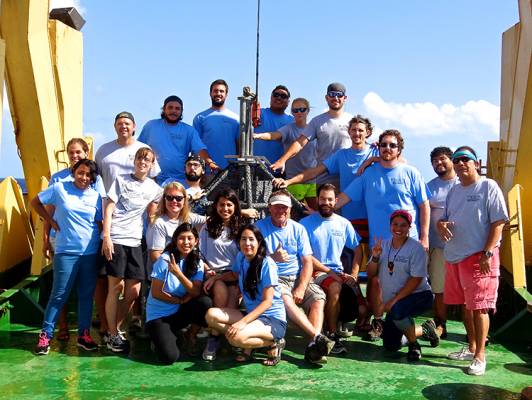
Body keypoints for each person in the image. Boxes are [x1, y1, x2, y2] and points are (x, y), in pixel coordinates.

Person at [336, 129, 431, 340]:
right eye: (384, 145)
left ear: (400, 149)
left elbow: (424, 205)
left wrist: (424, 237)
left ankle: (407, 326)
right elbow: (343, 198)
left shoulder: (411, 172)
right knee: (375, 280)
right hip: (380, 244)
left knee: (408, 286)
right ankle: (379, 321)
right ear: (378, 147)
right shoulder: (368, 174)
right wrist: (323, 208)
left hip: (409, 242)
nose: (388, 148)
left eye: (392, 145)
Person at [438, 146, 508, 376]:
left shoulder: (488, 186)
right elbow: (446, 219)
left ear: (476, 162)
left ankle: (481, 356)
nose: (460, 164)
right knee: (466, 307)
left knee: (480, 308)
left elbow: (499, 222)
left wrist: (487, 253)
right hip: (455, 257)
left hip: (479, 257)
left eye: (465, 159)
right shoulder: (453, 191)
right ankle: (471, 348)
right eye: (456, 160)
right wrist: (441, 225)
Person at [32, 159, 103, 355]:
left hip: (90, 252)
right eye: (81, 173)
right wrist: (50, 221)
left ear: (93, 178)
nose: (84, 177)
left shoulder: (96, 196)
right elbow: (35, 202)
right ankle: (45, 335)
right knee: (59, 295)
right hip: (66, 252)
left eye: (89, 175)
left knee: (86, 296)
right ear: (74, 172)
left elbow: (98, 223)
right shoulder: (59, 189)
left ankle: (84, 335)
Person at [256, 190, 334, 363]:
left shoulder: (298, 229)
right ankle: (317, 337)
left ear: (290, 209)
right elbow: (252, 260)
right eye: (276, 207)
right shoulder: (259, 228)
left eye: (284, 207)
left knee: (318, 298)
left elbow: (307, 261)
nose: (280, 211)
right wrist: (272, 258)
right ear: (269, 208)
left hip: (298, 276)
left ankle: (312, 347)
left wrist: (301, 286)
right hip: (274, 278)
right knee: (285, 298)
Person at [44, 138, 106, 341]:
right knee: (60, 290)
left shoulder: (95, 181)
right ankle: (56, 330)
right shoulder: (59, 181)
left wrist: (104, 239)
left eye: (78, 152)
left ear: (86, 153)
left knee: (86, 292)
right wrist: (47, 232)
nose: (74, 156)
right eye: (71, 153)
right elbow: (47, 209)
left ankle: (83, 334)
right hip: (62, 240)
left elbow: (100, 213)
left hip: (88, 244)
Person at [102, 147, 163, 353]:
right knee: (115, 288)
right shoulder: (121, 179)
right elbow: (108, 207)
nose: (143, 162)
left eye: (147, 159)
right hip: (117, 238)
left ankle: (113, 330)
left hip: (135, 241)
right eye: (140, 158)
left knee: (134, 291)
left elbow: (154, 213)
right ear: (134, 161)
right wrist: (107, 237)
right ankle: (112, 334)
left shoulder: (155, 188)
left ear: (152, 164)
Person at [275, 115, 377, 238]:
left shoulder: (376, 151)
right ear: (348, 132)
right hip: (347, 216)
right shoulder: (341, 155)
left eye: (360, 130)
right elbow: (314, 171)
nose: (357, 133)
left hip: (372, 216)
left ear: (368, 132)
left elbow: (398, 162)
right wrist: (289, 182)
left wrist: (373, 159)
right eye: (354, 130)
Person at [205, 224, 287, 366]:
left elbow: (268, 302)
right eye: (243, 239)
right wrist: (216, 278)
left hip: (271, 319)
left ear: (259, 242)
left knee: (235, 338)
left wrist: (242, 323)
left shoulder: (268, 264)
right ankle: (251, 342)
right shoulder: (242, 258)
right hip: (252, 316)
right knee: (211, 315)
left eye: (251, 239)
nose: (247, 243)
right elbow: (233, 274)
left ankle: (274, 343)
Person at [300, 184, 367, 354]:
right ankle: (331, 335)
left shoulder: (343, 224)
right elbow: (305, 256)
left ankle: (342, 322)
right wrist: (328, 272)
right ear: (317, 200)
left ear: (336, 201)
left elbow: (358, 249)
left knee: (363, 310)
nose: (326, 202)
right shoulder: (305, 224)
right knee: (335, 287)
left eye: (330, 199)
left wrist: (354, 274)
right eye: (322, 199)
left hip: (337, 272)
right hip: (315, 272)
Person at [367, 210, 437, 361]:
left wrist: (393, 301)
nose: (398, 228)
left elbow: (416, 279)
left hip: (420, 296)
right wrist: (375, 257)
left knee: (398, 310)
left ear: (409, 227)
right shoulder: (383, 245)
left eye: (403, 225)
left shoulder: (416, 248)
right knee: (391, 344)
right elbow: (371, 274)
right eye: (395, 224)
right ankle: (425, 329)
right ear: (390, 226)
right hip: (396, 301)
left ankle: (414, 345)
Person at [145, 223, 212, 365]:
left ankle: (189, 334)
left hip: (179, 312)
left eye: (190, 238)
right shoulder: (165, 259)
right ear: (175, 240)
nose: (186, 242)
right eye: (182, 238)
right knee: (169, 357)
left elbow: (195, 291)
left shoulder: (197, 262)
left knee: (204, 303)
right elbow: (156, 293)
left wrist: (178, 274)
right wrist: (180, 301)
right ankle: (158, 337)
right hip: (159, 316)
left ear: (196, 241)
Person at [271, 83, 352, 187]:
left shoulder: (352, 121)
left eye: (339, 95)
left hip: (348, 179)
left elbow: (362, 145)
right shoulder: (317, 121)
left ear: (345, 98)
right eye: (332, 94)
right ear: (326, 98)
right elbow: (300, 143)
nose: (335, 98)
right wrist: (282, 160)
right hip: (323, 180)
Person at [138, 95, 220, 184]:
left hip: (179, 181)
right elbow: (138, 149)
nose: (173, 111)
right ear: (164, 109)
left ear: (181, 111)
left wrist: (210, 163)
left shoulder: (189, 131)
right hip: (152, 180)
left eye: (177, 108)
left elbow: (199, 149)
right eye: (170, 108)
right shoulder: (151, 126)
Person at [254, 97, 318, 208]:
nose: (299, 112)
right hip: (293, 180)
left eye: (302, 109)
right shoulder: (289, 128)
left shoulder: (313, 129)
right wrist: (258, 135)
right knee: (295, 213)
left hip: (312, 180)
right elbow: (274, 135)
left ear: (308, 110)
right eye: (295, 110)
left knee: (314, 213)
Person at [423, 146, 458, 340]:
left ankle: (473, 331)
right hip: (437, 246)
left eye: (442, 159)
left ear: (451, 160)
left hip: (462, 247)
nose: (439, 163)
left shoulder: (462, 183)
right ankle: (440, 324)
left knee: (464, 289)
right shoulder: (429, 186)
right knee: (439, 288)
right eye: (435, 161)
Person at [95, 111, 160, 191]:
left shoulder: (145, 149)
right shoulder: (103, 150)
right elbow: (96, 180)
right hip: (110, 202)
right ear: (114, 126)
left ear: (134, 126)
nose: (123, 126)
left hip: (139, 202)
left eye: (127, 124)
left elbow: (153, 177)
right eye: (119, 124)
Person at [147, 181, 206, 264]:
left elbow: (209, 221)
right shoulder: (158, 223)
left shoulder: (189, 217)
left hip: (185, 270)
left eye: (178, 198)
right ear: (164, 199)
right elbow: (155, 256)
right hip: (165, 273)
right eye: (169, 198)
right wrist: (177, 272)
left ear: (184, 200)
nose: (174, 201)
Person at [193, 79, 240, 171]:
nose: (218, 93)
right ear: (210, 93)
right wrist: (207, 164)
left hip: (231, 171)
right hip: (207, 171)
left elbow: (239, 146)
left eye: (221, 91)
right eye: (215, 91)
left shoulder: (236, 119)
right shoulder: (200, 117)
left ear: (226, 94)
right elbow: (196, 146)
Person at [253, 85, 294, 164]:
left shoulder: (292, 121)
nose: (279, 98)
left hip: (280, 170)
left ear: (288, 101)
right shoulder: (257, 113)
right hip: (254, 168)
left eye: (283, 96)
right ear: (271, 97)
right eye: (276, 95)